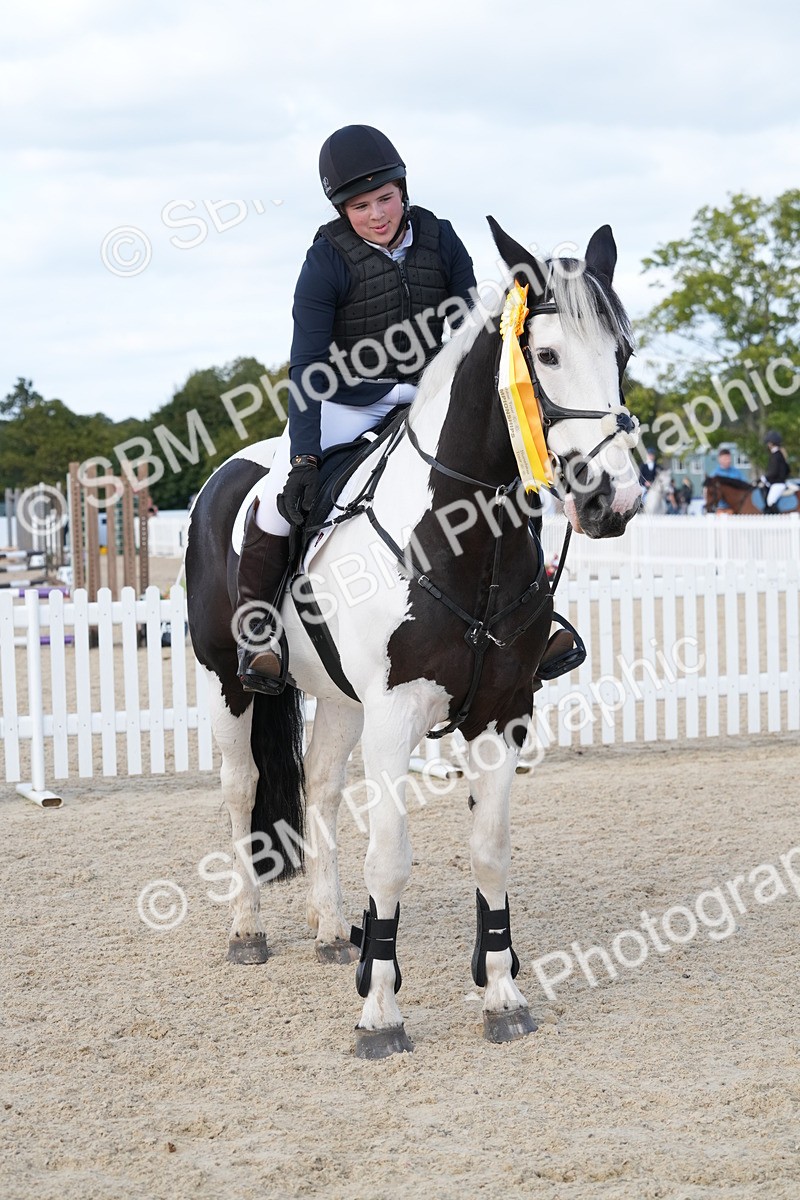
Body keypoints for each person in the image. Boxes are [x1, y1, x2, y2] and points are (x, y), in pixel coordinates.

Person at [236, 125, 477, 692]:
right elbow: (305, 366)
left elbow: (469, 328)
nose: (377, 215)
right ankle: (259, 633)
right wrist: (303, 459)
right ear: (342, 210)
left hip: (426, 395)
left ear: (403, 189)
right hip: (346, 401)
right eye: (360, 206)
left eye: (385, 198)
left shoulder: (441, 238)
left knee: (505, 468)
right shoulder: (325, 260)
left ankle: (535, 618)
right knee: (274, 505)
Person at [761, 430, 790, 513]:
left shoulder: (776, 455)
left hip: (778, 484)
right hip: (777, 482)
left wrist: (764, 478)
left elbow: (773, 472)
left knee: (770, 501)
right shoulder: (779, 454)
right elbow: (788, 470)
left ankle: (779, 518)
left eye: (768, 443)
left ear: (771, 444)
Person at [712, 446, 746, 514]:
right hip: (720, 509)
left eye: (729, 458)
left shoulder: (737, 473)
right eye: (725, 458)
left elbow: (745, 486)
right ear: (719, 459)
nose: (728, 460)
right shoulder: (715, 475)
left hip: (735, 508)